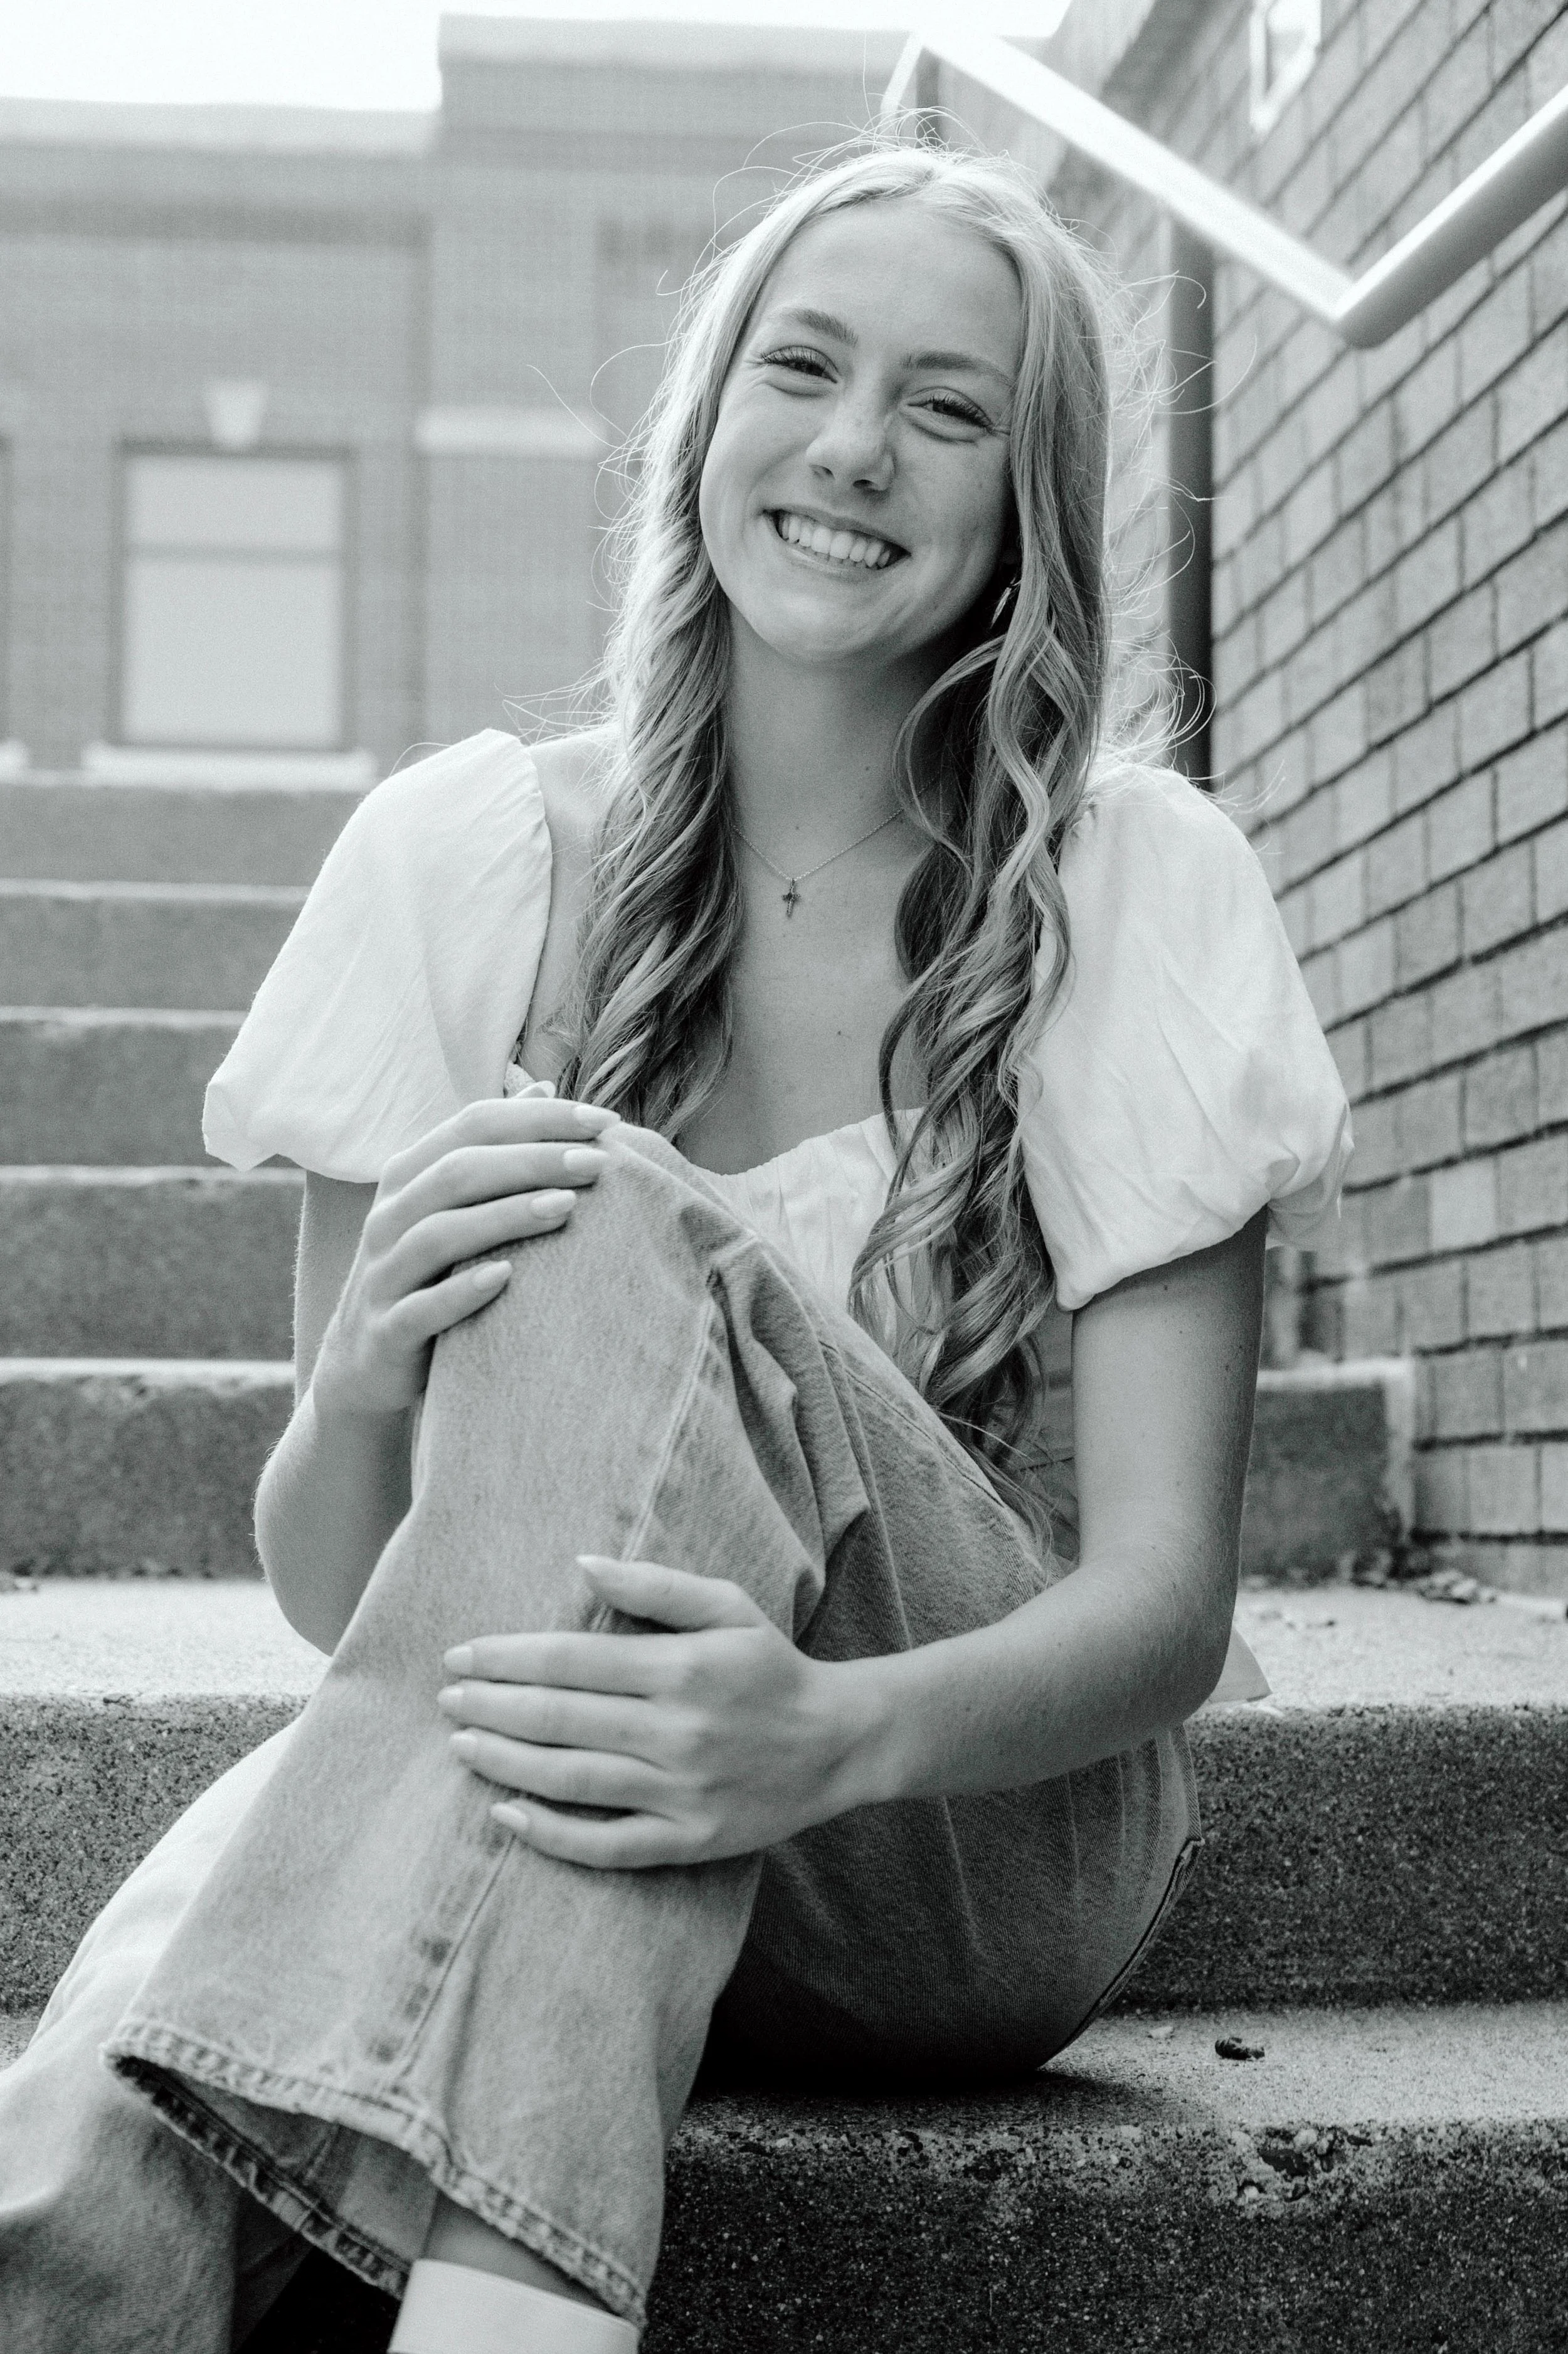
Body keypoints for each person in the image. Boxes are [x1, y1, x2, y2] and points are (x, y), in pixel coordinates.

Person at [0, 139, 1350, 2352]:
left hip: (958, 1843)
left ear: (1027, 499)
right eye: (799, 369)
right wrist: (358, 1386)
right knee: (275, 1866)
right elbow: (367, 1608)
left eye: (945, 407)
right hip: (557, 1762)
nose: (849, 448)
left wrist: (812, 1734)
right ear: (702, 417)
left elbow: (1163, 1613)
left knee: (597, 1223)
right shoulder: (458, 863)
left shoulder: (1132, 888)